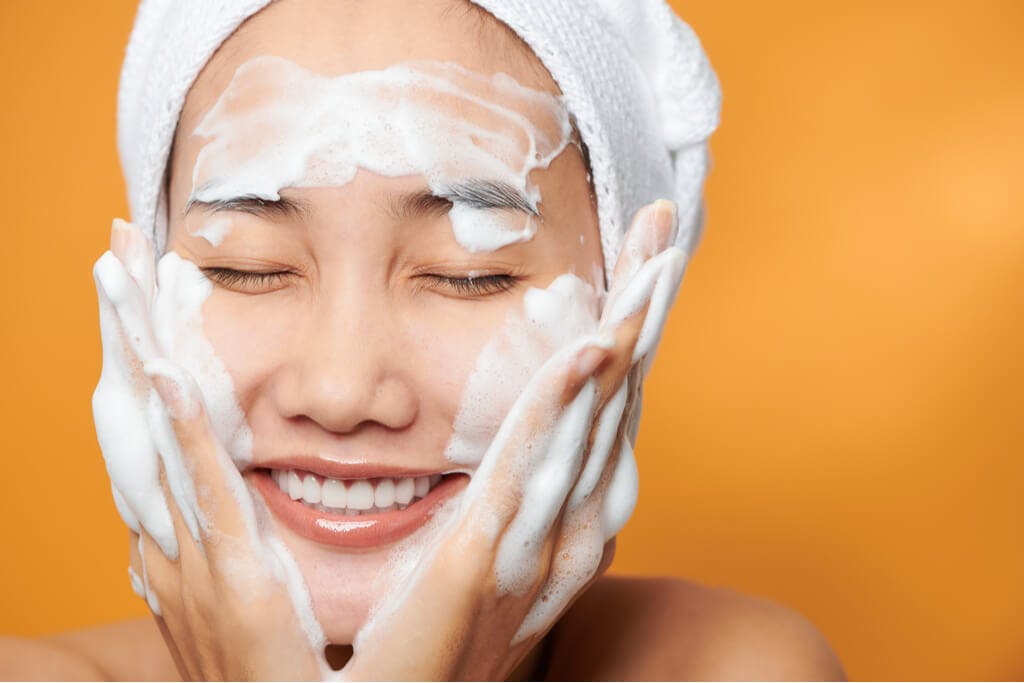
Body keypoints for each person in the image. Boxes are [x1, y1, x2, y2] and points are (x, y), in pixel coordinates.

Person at [2, 0, 845, 679]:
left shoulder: (731, 668)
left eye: (464, 274)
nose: (339, 390)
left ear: (628, 308)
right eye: (248, 268)